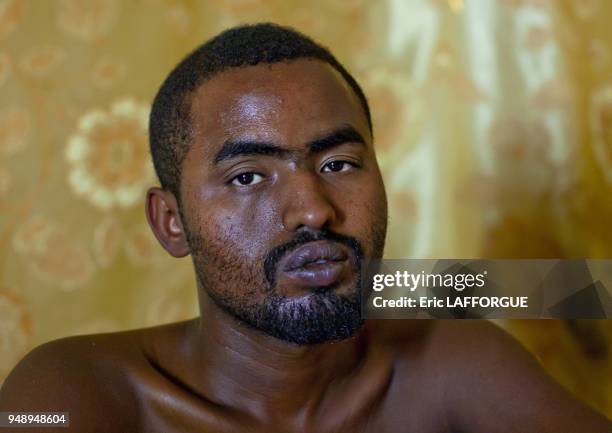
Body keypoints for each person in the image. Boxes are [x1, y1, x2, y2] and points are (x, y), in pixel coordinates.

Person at [1, 23, 610, 433]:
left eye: (338, 164)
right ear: (171, 222)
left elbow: (566, 288)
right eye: (248, 177)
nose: (313, 211)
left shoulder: (449, 358)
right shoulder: (71, 393)